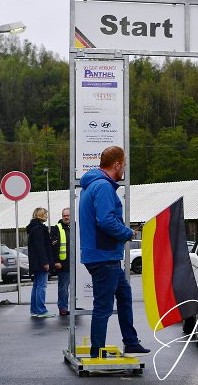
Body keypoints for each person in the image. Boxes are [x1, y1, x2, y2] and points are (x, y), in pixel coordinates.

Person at [79, 146, 150, 358]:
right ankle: (97, 352)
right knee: (103, 306)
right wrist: (127, 233)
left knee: (124, 296)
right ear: (117, 164)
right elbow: (106, 221)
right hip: (104, 256)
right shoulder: (103, 186)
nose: (124, 169)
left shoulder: (91, 185)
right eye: (124, 165)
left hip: (102, 255)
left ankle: (131, 343)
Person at [26, 207, 55, 318]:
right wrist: (45, 262)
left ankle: (34, 310)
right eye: (45, 214)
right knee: (41, 286)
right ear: (40, 215)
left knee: (36, 286)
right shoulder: (39, 229)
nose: (47, 216)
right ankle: (41, 311)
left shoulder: (33, 228)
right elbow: (40, 247)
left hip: (35, 262)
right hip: (40, 262)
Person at [50, 207, 71, 316]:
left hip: (76, 264)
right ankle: (63, 308)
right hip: (63, 264)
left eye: (68, 215)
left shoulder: (76, 227)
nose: (66, 217)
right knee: (63, 287)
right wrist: (56, 261)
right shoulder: (56, 228)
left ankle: (76, 305)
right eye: (64, 215)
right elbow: (53, 247)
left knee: (76, 288)